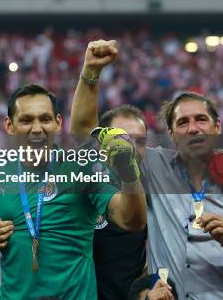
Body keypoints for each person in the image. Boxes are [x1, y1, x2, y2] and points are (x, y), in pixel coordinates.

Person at [69, 41, 223, 299]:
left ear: (218, 126)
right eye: (182, 122)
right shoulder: (152, 166)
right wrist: (91, 72)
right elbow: (84, 133)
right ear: (170, 134)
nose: (193, 128)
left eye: (201, 119)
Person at [0, 79, 147, 299]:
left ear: (58, 122)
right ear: (9, 126)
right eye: (26, 120)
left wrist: (129, 172)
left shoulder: (80, 168)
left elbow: (132, 220)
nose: (37, 129)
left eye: (45, 119)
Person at [69, 39, 148, 300]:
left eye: (139, 141)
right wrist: (90, 72)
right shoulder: (90, 174)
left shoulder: (153, 180)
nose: (131, 147)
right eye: (122, 138)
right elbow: (82, 128)